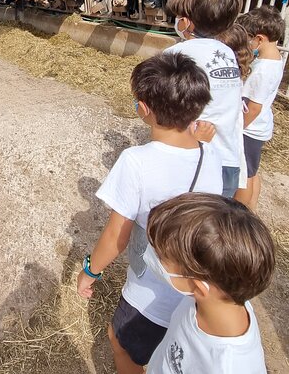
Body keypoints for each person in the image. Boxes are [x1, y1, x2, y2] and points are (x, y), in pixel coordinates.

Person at [77, 53, 223, 374]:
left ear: (143, 110)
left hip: (152, 292)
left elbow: (117, 236)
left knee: (120, 343)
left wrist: (91, 270)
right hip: (197, 290)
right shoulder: (210, 154)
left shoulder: (135, 161)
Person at [144, 192, 276, 373]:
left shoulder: (228, 367)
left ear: (198, 287)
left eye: (161, 257)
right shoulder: (216, 297)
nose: (154, 257)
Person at [165, 0, 246, 198]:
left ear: (188, 23)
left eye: (180, 17)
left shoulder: (177, 53)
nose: (178, 22)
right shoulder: (228, 53)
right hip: (228, 157)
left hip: (192, 157)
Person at [234, 6, 285, 210]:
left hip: (250, 129)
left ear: (260, 39)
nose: (247, 44)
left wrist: (237, 128)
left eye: (248, 39)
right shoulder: (275, 59)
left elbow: (253, 107)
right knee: (253, 172)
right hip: (260, 127)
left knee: (243, 174)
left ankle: (239, 212)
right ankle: (251, 208)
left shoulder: (262, 70)